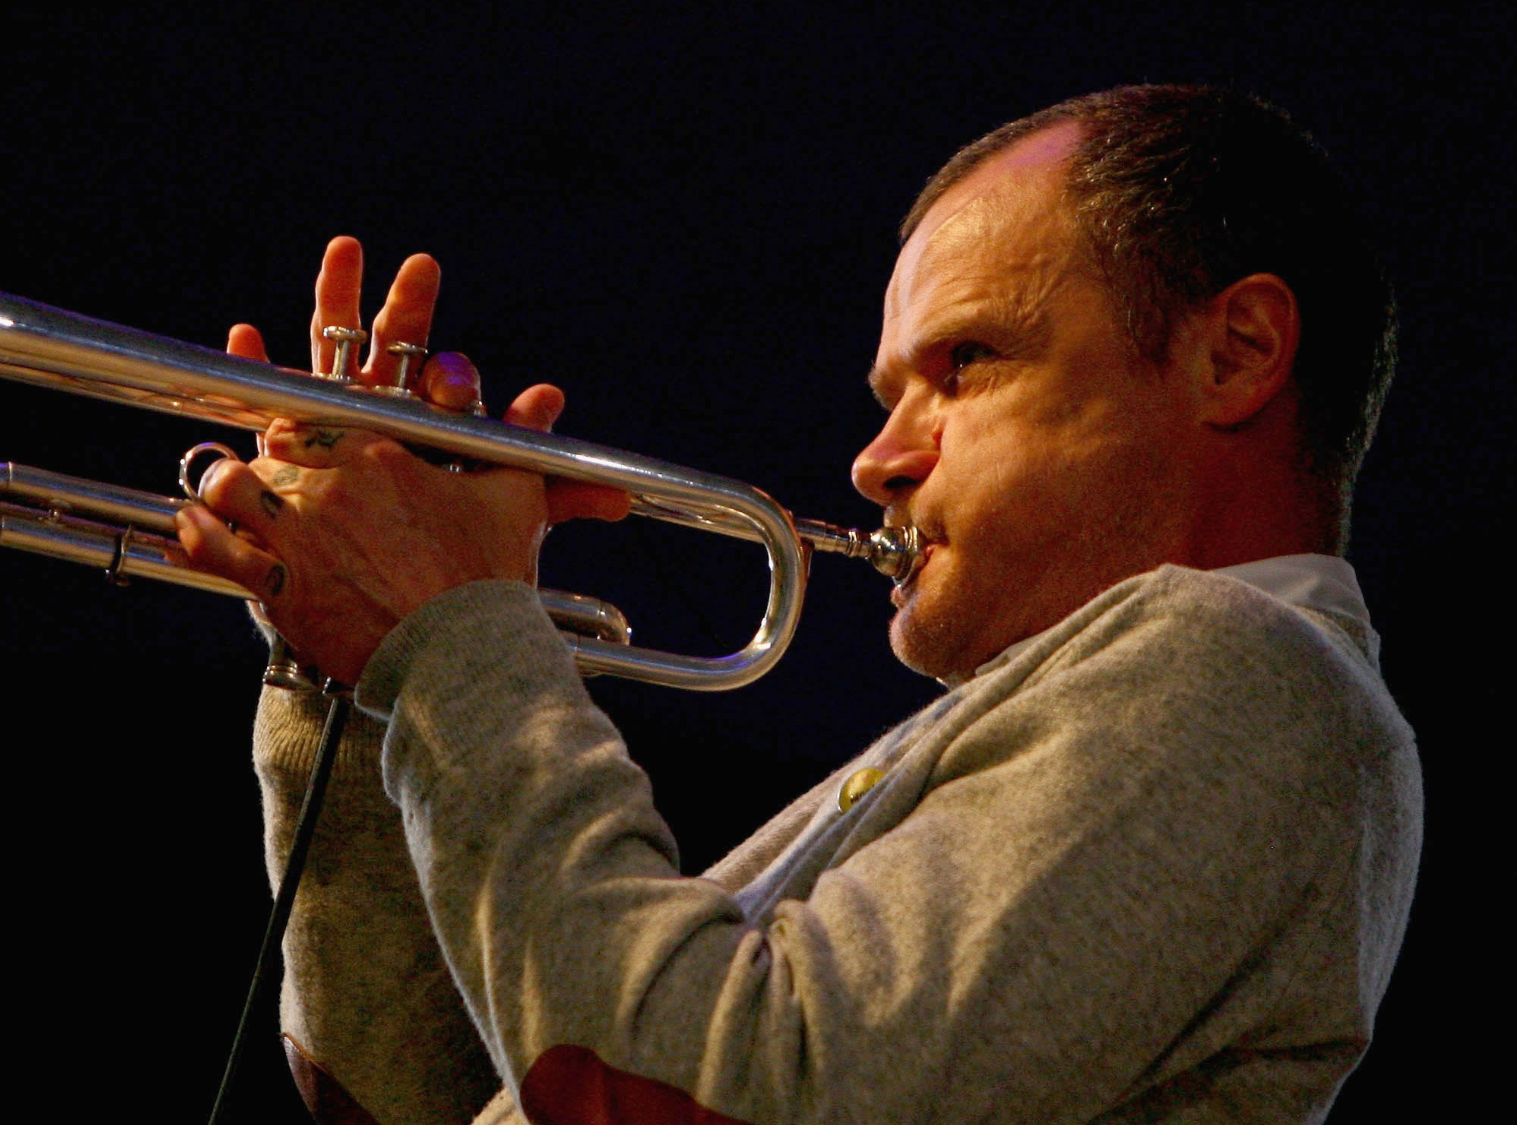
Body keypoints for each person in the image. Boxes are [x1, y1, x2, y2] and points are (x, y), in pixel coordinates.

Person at [176, 85, 1422, 1125]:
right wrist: (355, 671)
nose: (876, 461)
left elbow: (695, 1098)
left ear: (1236, 353)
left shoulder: (1242, 669)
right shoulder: (1063, 722)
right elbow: (431, 1100)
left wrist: (450, 631)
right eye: (890, 392)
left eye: (964, 364)